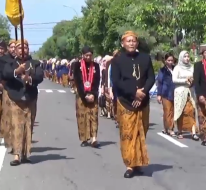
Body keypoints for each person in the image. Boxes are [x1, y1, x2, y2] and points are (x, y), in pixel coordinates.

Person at [111, 31, 155, 178]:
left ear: (137, 43)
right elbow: (117, 81)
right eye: (128, 41)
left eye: (133, 41)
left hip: (143, 102)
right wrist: (134, 93)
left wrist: (142, 93)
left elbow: (151, 78)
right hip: (126, 102)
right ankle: (130, 165)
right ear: (123, 43)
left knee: (140, 132)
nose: (131, 43)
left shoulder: (145, 58)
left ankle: (138, 163)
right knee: (128, 134)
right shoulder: (117, 60)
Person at [2, 39, 43, 166]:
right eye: (20, 48)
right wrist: (17, 71)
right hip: (16, 98)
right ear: (16, 50)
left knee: (28, 125)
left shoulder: (35, 63)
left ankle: (26, 153)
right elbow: (5, 74)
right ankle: (16, 155)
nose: (22, 50)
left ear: (28, 50)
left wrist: (29, 78)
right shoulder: (10, 63)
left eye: (25, 48)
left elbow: (40, 76)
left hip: (30, 98)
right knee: (16, 125)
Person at [73, 46, 101, 148]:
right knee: (82, 116)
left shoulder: (96, 66)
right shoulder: (76, 65)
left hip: (93, 94)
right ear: (82, 55)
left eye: (90, 55)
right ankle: (84, 138)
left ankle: (94, 138)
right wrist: (84, 95)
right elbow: (77, 81)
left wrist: (93, 94)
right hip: (81, 94)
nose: (88, 57)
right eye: (86, 55)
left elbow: (97, 81)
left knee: (94, 115)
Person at [172, 50, 198, 140]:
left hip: (190, 91)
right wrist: (185, 80)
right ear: (181, 58)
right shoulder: (177, 68)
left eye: (188, 56)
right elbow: (174, 80)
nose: (187, 58)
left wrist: (192, 80)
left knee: (192, 111)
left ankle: (193, 132)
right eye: (185, 56)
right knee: (181, 112)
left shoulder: (192, 67)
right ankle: (180, 131)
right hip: (180, 92)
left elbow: (195, 77)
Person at [0, 39, 16, 150]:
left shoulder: (21, 60)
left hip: (19, 90)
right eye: (12, 47)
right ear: (8, 48)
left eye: (16, 47)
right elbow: (0, 73)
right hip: (7, 89)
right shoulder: (3, 60)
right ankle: (9, 141)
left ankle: (17, 141)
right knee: (7, 116)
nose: (14, 49)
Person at [157, 53, 176, 136]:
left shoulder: (176, 69)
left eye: (172, 60)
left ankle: (166, 128)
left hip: (175, 92)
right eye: (168, 60)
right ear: (165, 61)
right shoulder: (162, 70)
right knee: (167, 111)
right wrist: (159, 94)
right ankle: (170, 129)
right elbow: (160, 83)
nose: (170, 62)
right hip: (165, 93)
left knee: (173, 111)